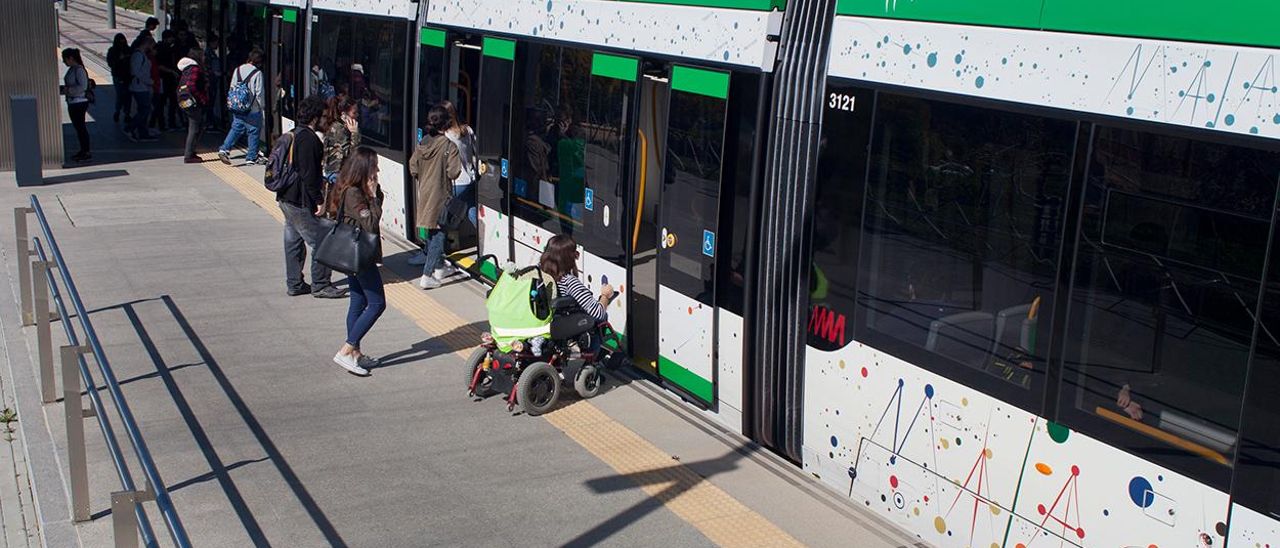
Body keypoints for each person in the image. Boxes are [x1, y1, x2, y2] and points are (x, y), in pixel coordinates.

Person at [278, 95, 346, 299]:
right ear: (315, 117)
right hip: (300, 200)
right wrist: (318, 200)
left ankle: (294, 283)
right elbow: (309, 175)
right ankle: (321, 284)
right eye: (323, 115)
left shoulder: (293, 133)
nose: (326, 119)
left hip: (286, 197)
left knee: (293, 241)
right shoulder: (308, 139)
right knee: (323, 241)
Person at [327, 147, 385, 376]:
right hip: (359, 256)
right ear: (364, 169)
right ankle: (346, 350)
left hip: (354, 256)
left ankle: (356, 354)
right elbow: (370, 224)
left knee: (358, 301)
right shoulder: (354, 193)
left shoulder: (354, 188)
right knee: (377, 303)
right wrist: (372, 197)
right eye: (374, 166)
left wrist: (374, 194)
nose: (378, 170)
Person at [408, 106, 461, 290]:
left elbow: (413, 167)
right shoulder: (448, 146)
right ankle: (427, 274)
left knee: (431, 231)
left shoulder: (423, 143)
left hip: (425, 193)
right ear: (447, 123)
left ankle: (439, 267)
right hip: (441, 196)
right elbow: (454, 172)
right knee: (438, 234)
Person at [539, 234, 616, 352]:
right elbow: (598, 312)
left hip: (546, 321)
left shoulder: (539, 272)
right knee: (602, 317)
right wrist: (605, 295)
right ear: (569, 258)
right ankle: (593, 354)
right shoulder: (569, 282)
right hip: (564, 325)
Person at [218, 48, 265, 165]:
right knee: (254, 131)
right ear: (259, 62)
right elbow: (259, 93)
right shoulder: (257, 73)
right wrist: (262, 108)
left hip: (237, 105)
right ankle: (251, 157)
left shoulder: (238, 70)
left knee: (236, 128)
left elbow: (232, 87)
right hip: (252, 108)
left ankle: (224, 149)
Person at [60, 49, 92, 162]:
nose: (64, 62)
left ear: (71, 58)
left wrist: (67, 90)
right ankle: (83, 150)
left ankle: (86, 151)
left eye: (65, 59)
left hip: (79, 102)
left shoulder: (79, 70)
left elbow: (82, 87)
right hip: (73, 101)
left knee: (81, 127)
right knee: (79, 128)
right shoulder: (73, 69)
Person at [322, 95, 360, 188]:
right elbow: (351, 153)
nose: (357, 115)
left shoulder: (339, 126)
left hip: (337, 172)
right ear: (344, 114)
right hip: (337, 174)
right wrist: (355, 134)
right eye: (354, 113)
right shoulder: (340, 130)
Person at [178, 49, 208, 164]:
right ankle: (189, 155)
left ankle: (191, 152)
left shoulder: (187, 69)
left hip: (184, 100)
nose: (204, 58)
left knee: (195, 126)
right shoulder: (195, 69)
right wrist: (201, 98)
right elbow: (192, 85)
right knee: (195, 127)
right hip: (192, 101)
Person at [127, 37, 157, 141]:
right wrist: (149, 81)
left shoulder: (142, 55)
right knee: (146, 109)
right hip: (140, 87)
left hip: (143, 86)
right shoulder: (138, 55)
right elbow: (136, 72)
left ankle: (143, 132)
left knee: (144, 109)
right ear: (147, 44)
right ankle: (130, 127)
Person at [153, 30, 182, 132]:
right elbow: (159, 65)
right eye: (171, 38)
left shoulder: (161, 47)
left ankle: (163, 123)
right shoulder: (163, 49)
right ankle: (167, 123)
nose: (173, 40)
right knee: (166, 101)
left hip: (165, 78)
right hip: (165, 78)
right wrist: (172, 72)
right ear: (167, 38)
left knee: (164, 101)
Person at [106, 33, 132, 124]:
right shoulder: (113, 51)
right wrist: (119, 59)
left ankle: (126, 113)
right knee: (121, 95)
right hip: (119, 76)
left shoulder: (128, 50)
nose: (122, 43)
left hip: (127, 76)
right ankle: (119, 111)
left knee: (127, 96)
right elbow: (111, 63)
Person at [203, 33, 224, 130]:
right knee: (210, 102)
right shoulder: (208, 54)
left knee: (211, 101)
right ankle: (209, 122)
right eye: (216, 42)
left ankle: (210, 121)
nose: (217, 45)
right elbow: (207, 68)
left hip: (213, 81)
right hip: (211, 81)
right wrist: (215, 73)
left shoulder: (211, 53)